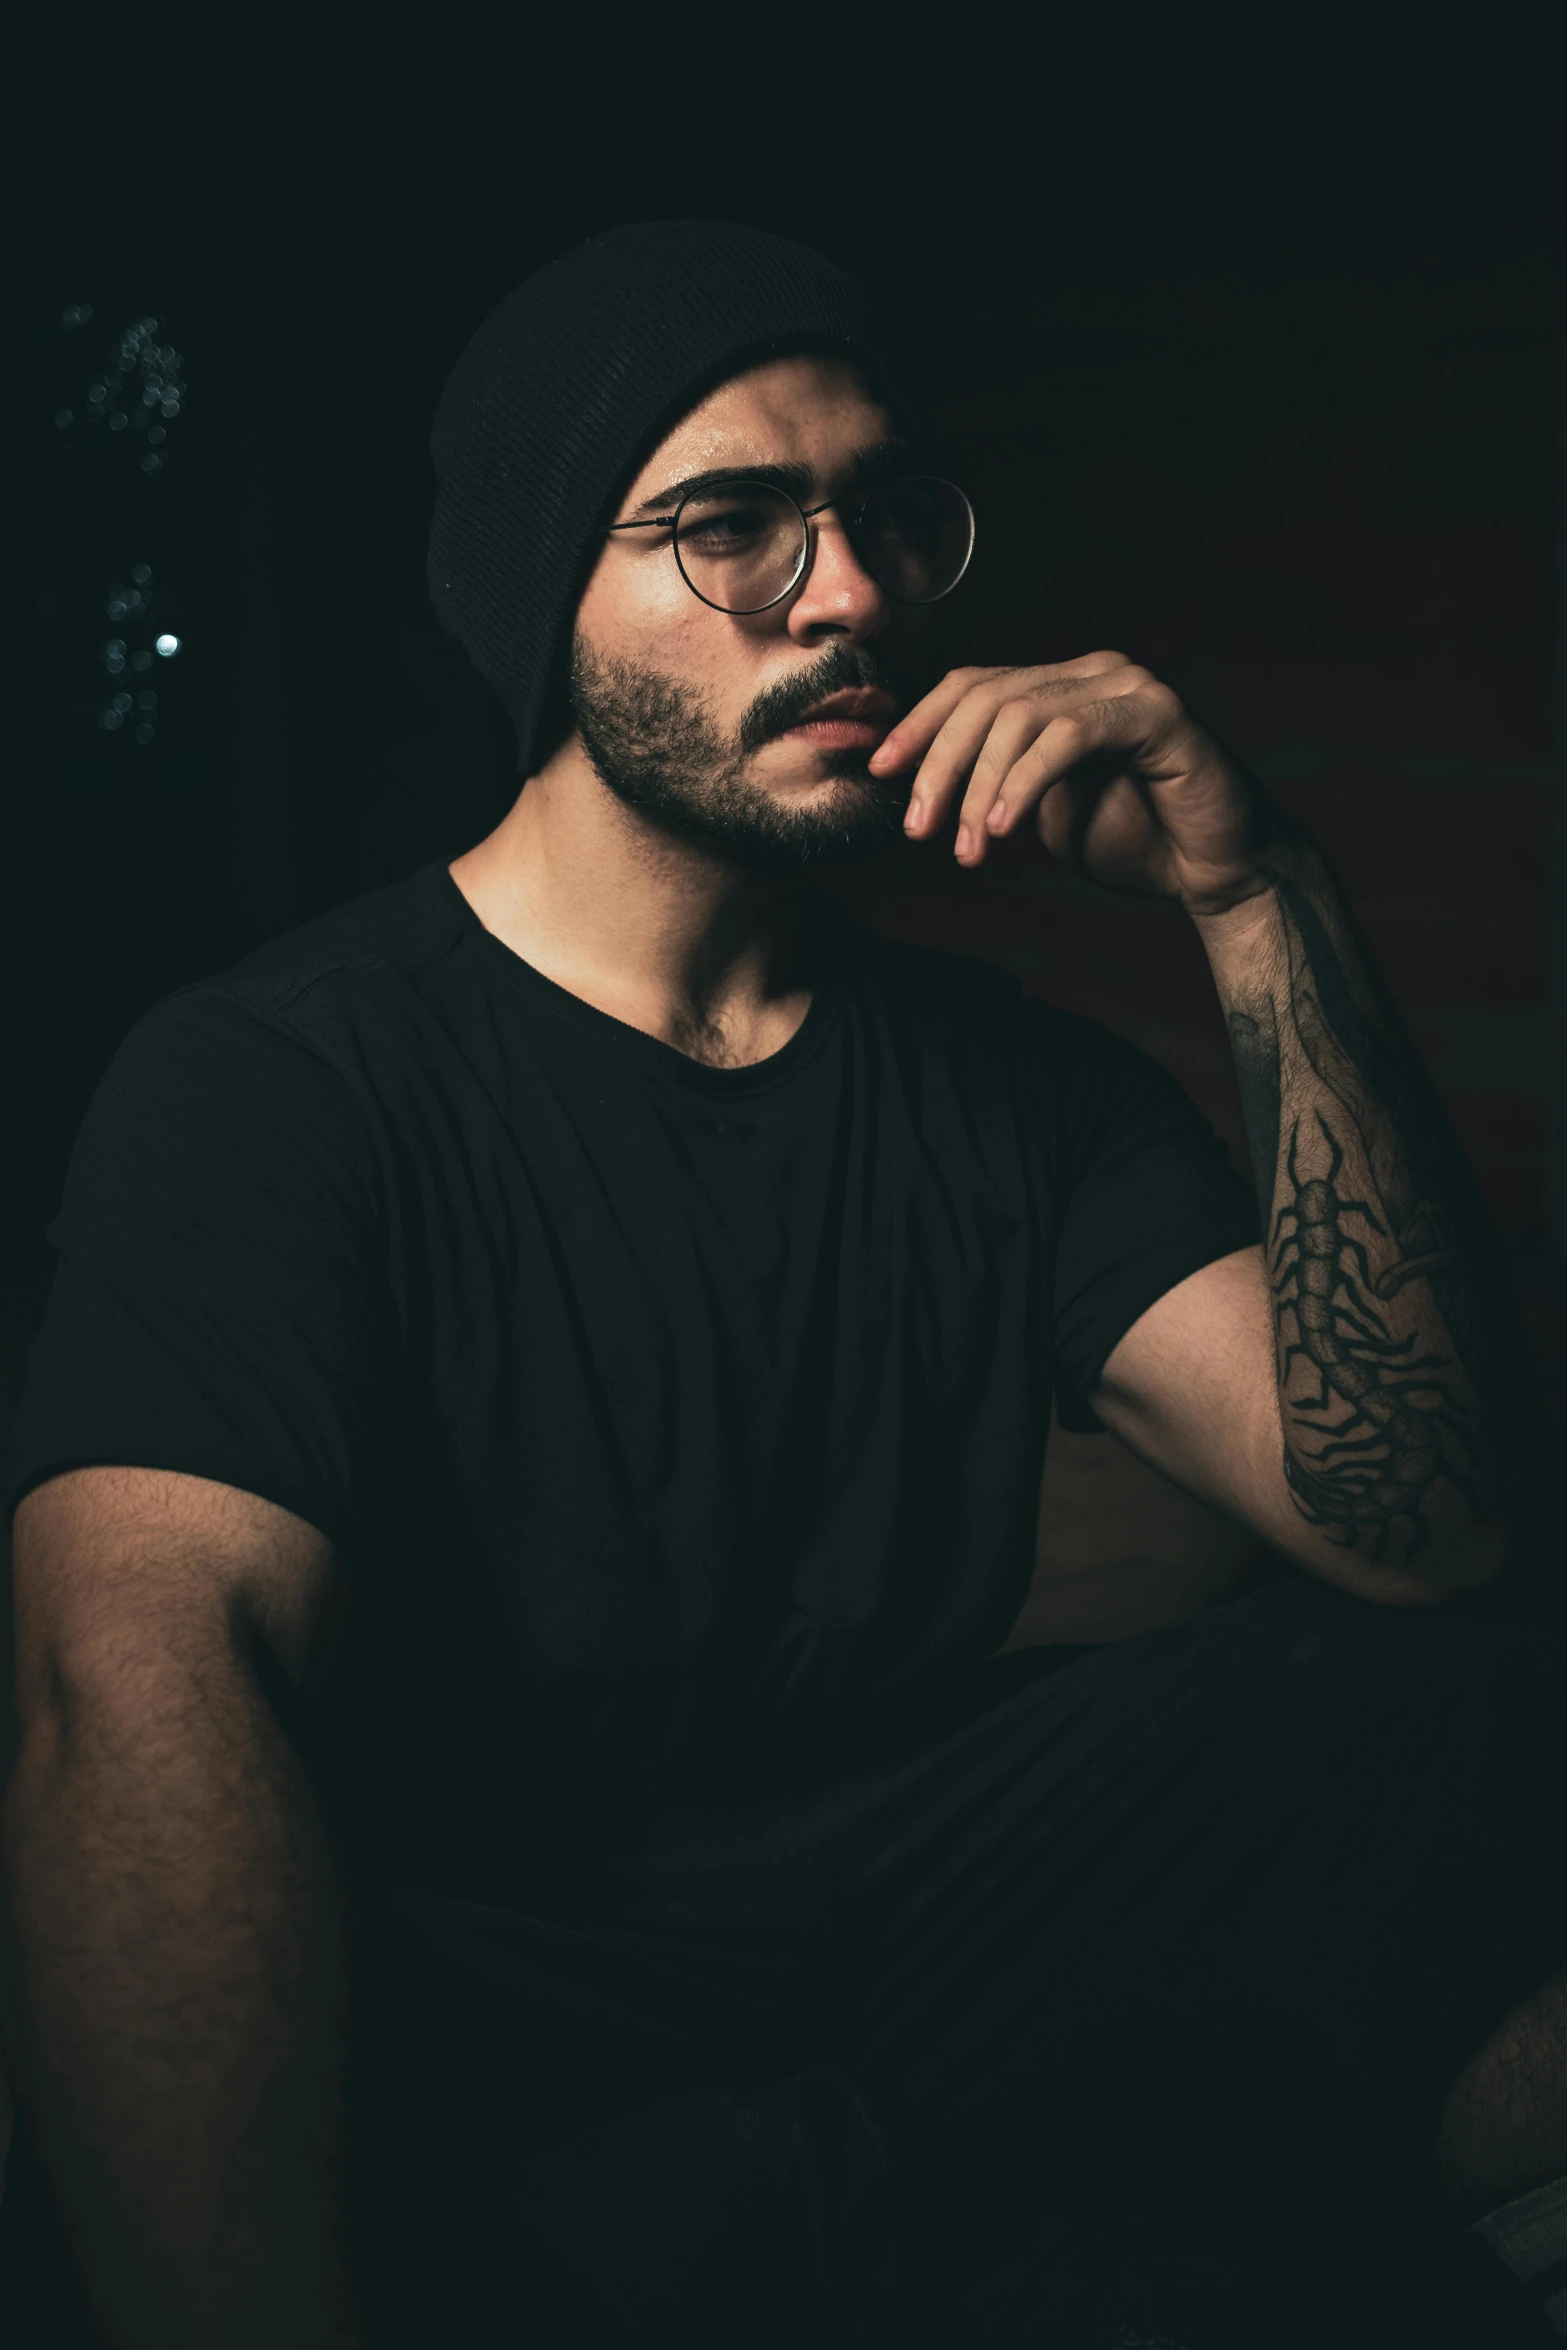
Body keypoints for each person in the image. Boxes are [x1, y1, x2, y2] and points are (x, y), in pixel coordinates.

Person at [1, 220, 1563, 2349]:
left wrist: (1257, 889)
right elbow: (143, 1680)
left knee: (1483, 1696)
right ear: (543, 600)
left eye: (885, 517)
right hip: (495, 1936)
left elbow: (1425, 1520)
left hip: (915, 1885)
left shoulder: (1020, 1088)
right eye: (730, 527)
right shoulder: (277, 1080)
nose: (851, 597)